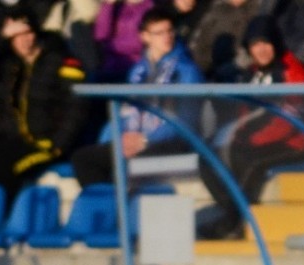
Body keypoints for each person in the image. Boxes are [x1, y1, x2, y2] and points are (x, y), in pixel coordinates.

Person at [197, 13, 304, 240]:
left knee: (247, 158)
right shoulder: (252, 74)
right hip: (254, 138)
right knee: (206, 158)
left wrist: (249, 140)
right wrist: (236, 135)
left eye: (266, 43)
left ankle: (233, 224)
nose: (261, 50)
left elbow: (289, 119)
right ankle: (232, 213)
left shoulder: (292, 71)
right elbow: (243, 113)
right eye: (255, 45)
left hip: (293, 141)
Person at [71, 6, 205, 187]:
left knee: (130, 165)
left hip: (171, 141)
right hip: (137, 138)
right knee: (84, 159)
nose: (167, 37)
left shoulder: (187, 71)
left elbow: (186, 121)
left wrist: (145, 140)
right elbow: (125, 112)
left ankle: (122, 204)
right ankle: (108, 202)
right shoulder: (137, 71)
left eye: (169, 31)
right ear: (145, 37)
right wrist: (116, 140)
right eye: (159, 33)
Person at [0, 11, 88, 204]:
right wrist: (2, 37)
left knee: (6, 170)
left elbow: (76, 109)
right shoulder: (10, 64)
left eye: (27, 33)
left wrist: (57, 145)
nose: (23, 40)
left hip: (45, 144)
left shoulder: (62, 61)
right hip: (12, 141)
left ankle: (9, 220)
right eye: (16, 36)